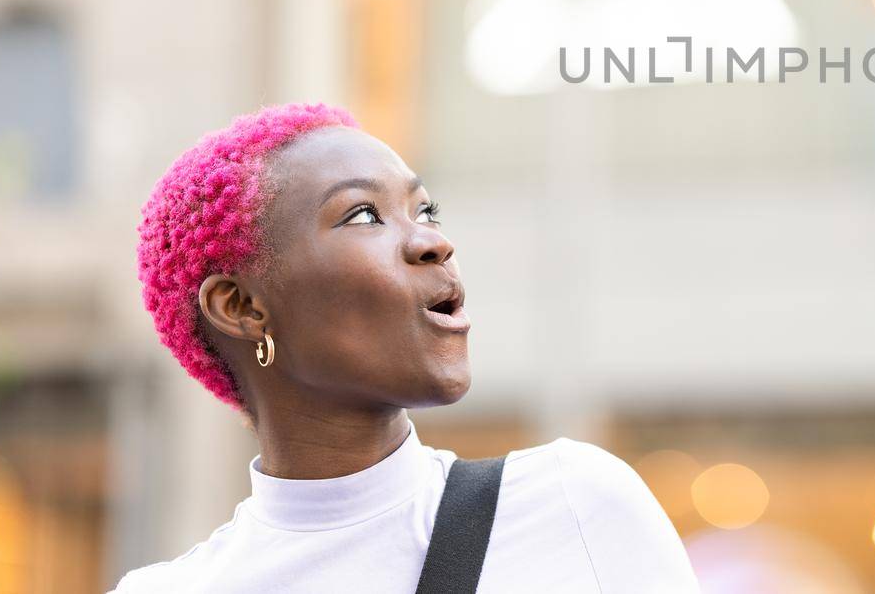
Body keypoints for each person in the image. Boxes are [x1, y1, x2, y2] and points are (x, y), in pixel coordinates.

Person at [112, 102, 699, 593]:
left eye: (425, 210)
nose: (432, 242)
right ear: (240, 307)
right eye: (364, 215)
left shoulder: (575, 506)